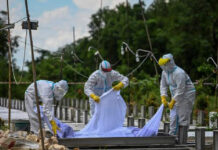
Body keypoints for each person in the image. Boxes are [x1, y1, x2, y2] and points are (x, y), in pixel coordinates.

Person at [158, 53, 196, 135]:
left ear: (170, 63)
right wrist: (163, 96)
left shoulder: (179, 73)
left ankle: (182, 139)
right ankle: (172, 136)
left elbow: (181, 89)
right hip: (176, 94)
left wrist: (173, 101)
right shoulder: (164, 72)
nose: (163, 66)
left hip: (186, 94)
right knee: (173, 116)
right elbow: (163, 85)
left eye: (165, 64)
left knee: (183, 117)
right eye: (162, 65)